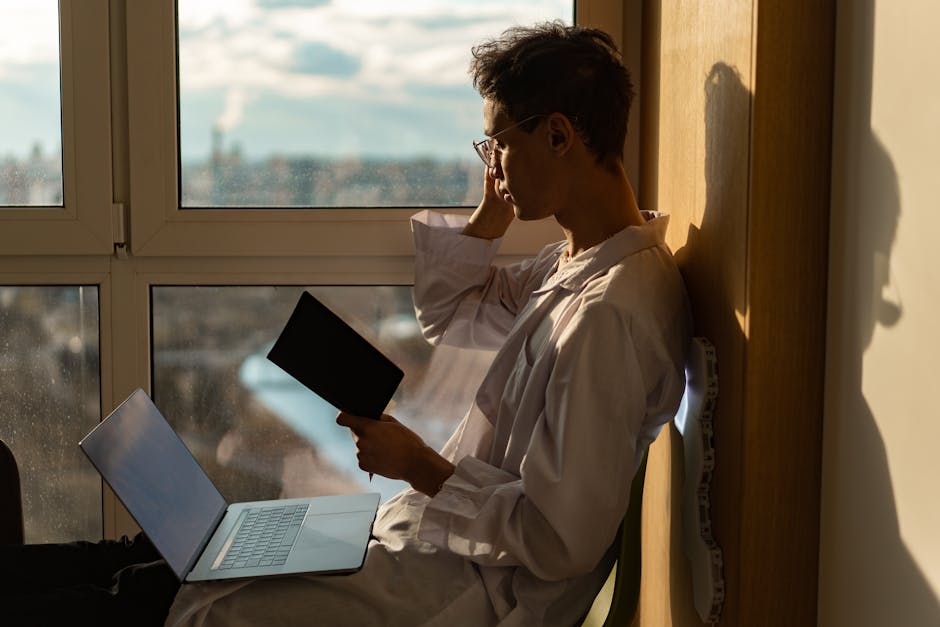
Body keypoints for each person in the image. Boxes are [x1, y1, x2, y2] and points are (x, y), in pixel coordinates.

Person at [3, 21, 691, 627]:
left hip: (470, 588)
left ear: (560, 134)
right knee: (162, 550)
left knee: (157, 593)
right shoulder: (575, 268)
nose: (491, 167)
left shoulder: (609, 316)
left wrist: (419, 463)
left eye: (497, 145)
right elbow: (452, 310)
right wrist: (494, 208)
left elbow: (559, 538)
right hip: (442, 544)